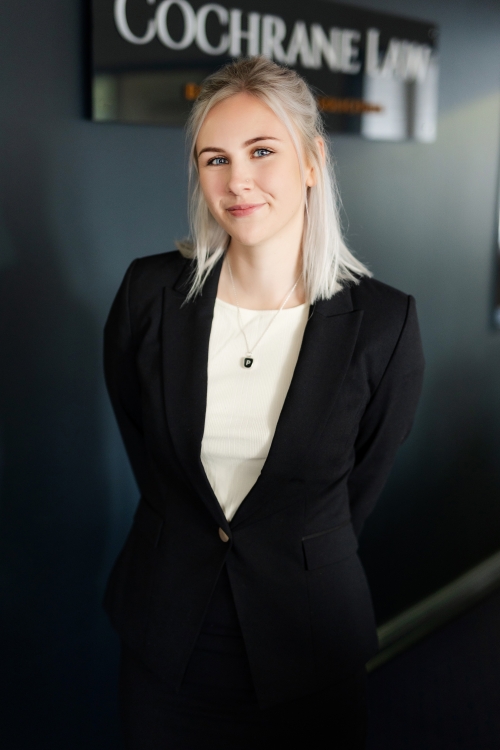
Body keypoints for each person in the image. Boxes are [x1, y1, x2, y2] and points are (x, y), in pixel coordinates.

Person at [103, 56, 425, 749]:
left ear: (312, 161)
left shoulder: (383, 323)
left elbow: (352, 492)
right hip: (167, 636)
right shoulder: (148, 294)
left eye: (261, 151)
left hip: (307, 643)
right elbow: (146, 448)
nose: (237, 180)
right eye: (215, 159)